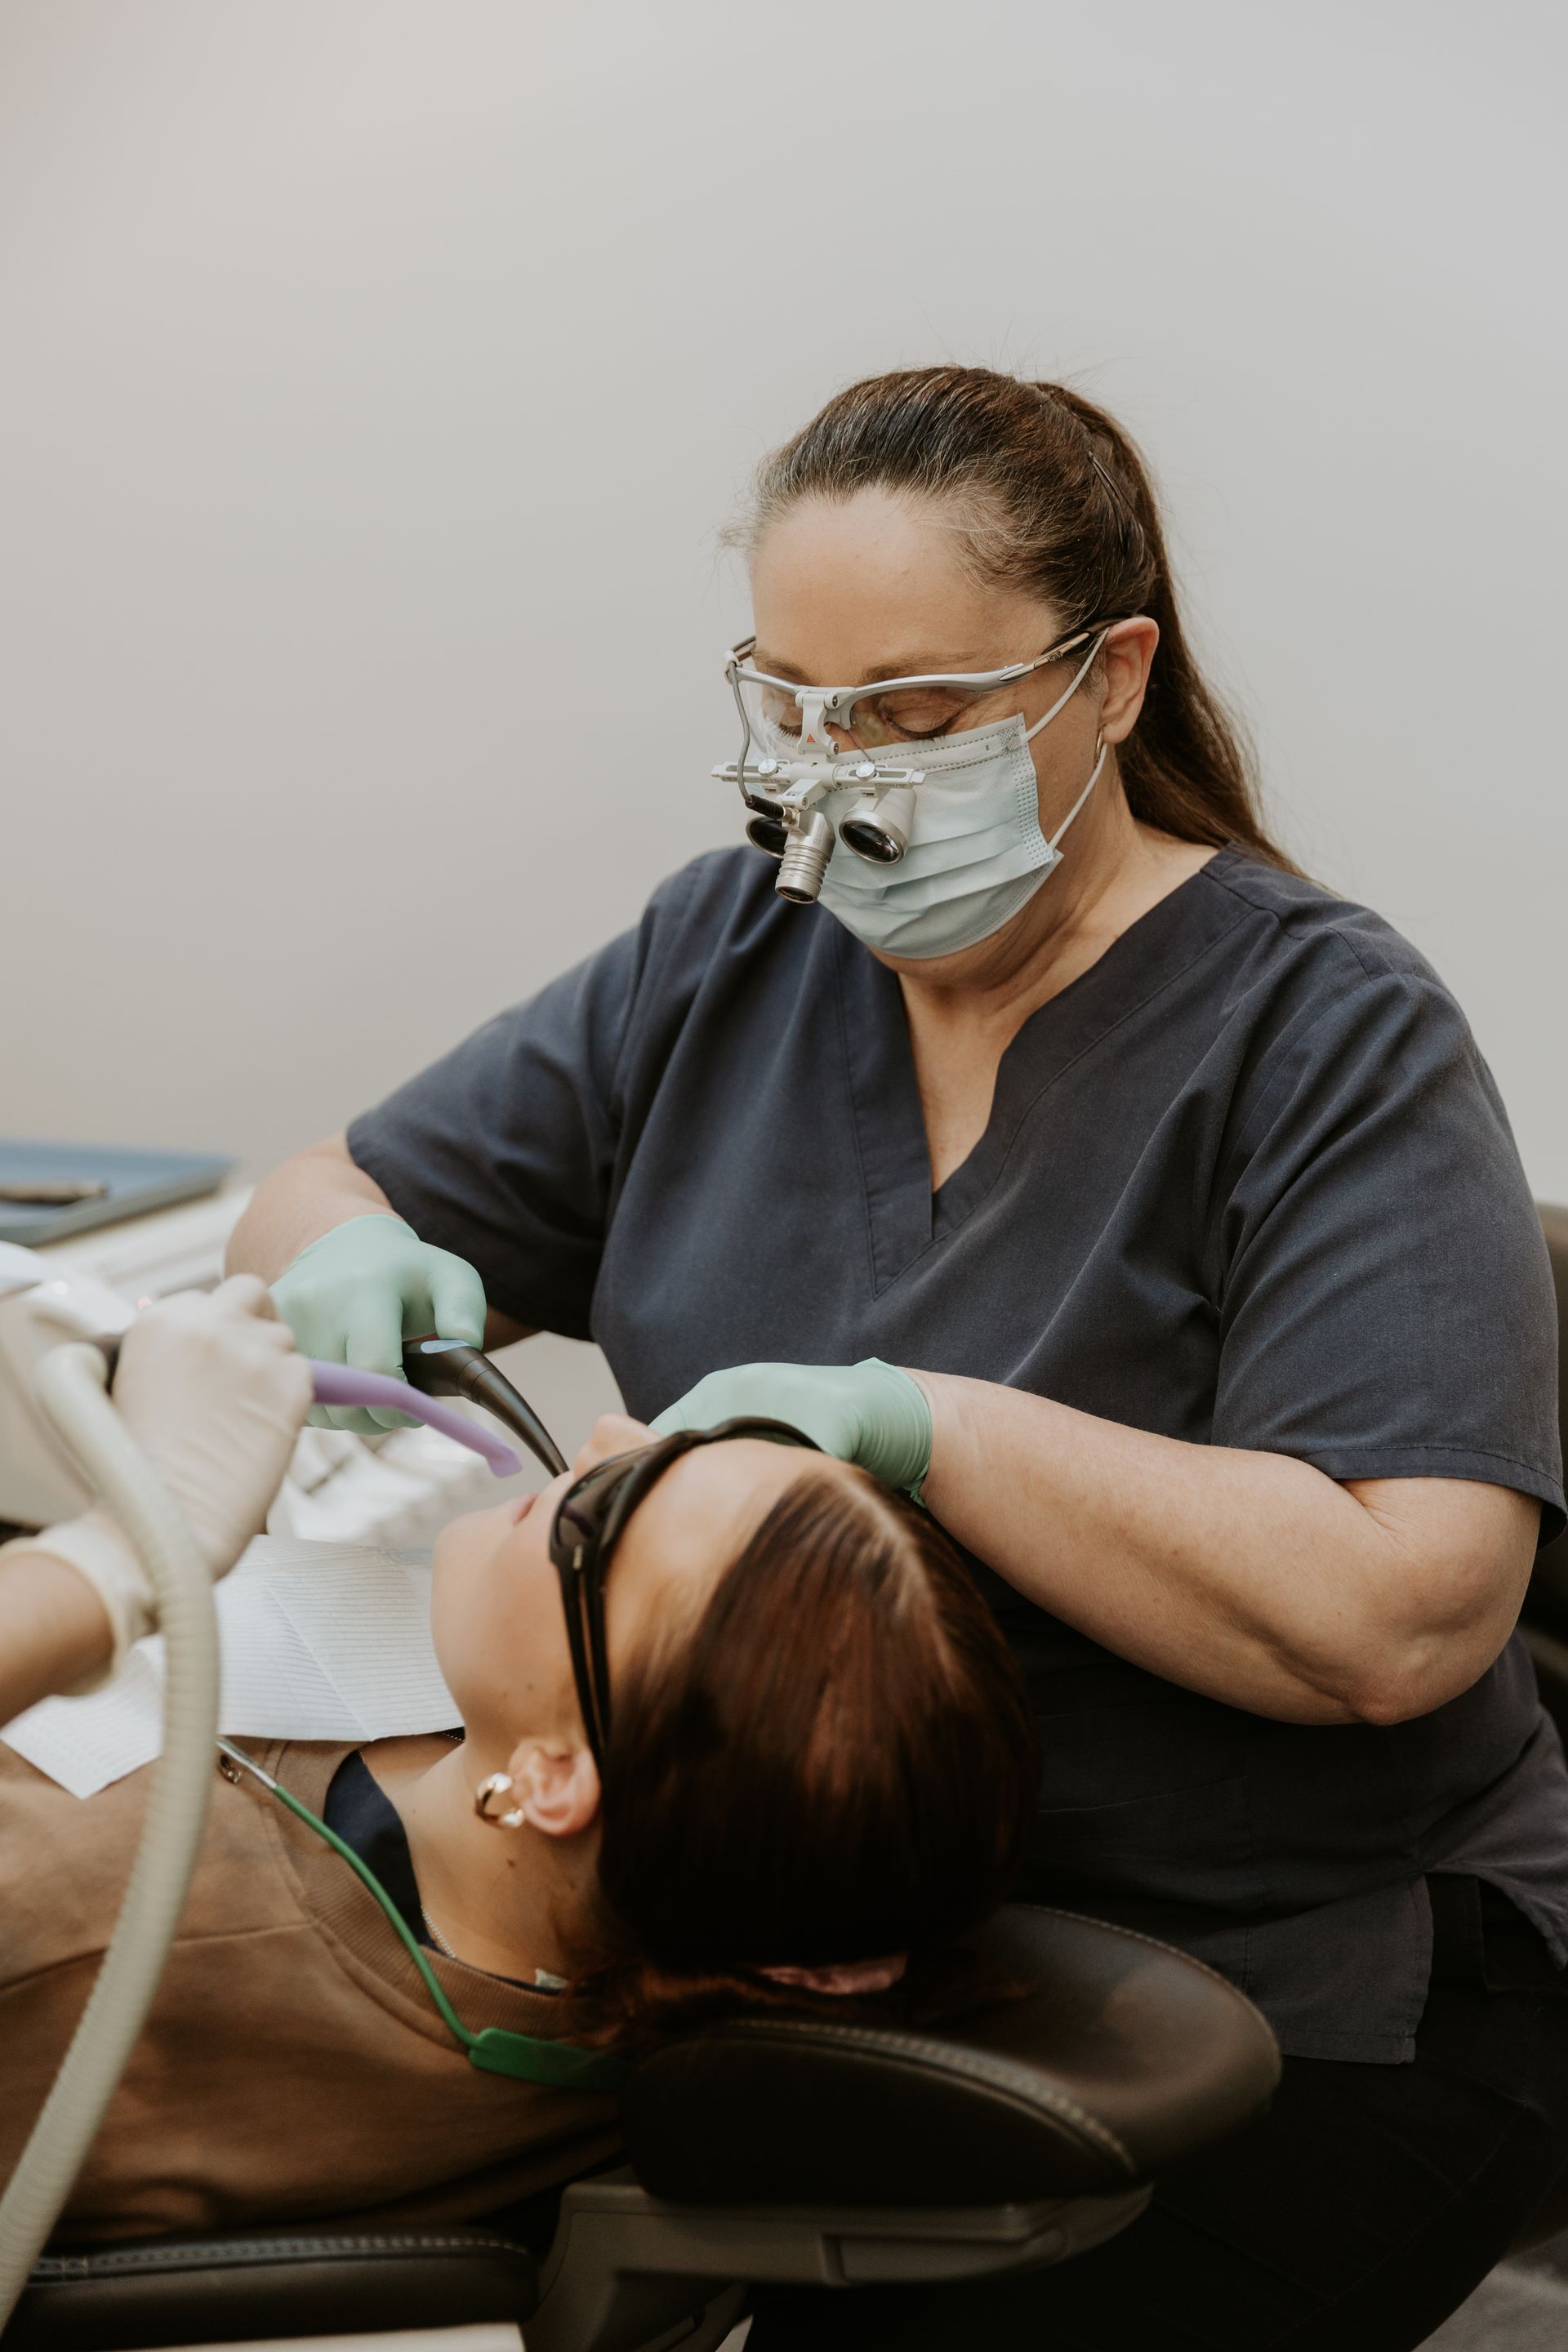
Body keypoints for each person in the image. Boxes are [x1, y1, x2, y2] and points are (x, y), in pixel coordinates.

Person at [233, 364, 1568, 2345]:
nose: (836, 775)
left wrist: (918, 1429)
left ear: (1109, 682)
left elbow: (1402, 1610)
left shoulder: (1320, 1031)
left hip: (1287, 1969)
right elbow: (318, 1188)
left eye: (918, 714)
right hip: (805, 1943)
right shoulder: (733, 953)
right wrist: (359, 1259)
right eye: (790, 705)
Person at [0, 1283, 1036, 2241]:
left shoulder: (88, 1934)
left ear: (553, 1779)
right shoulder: (618, 1915)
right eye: (693, 1443)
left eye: (612, 1511)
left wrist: (127, 1558)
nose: (609, 1433)